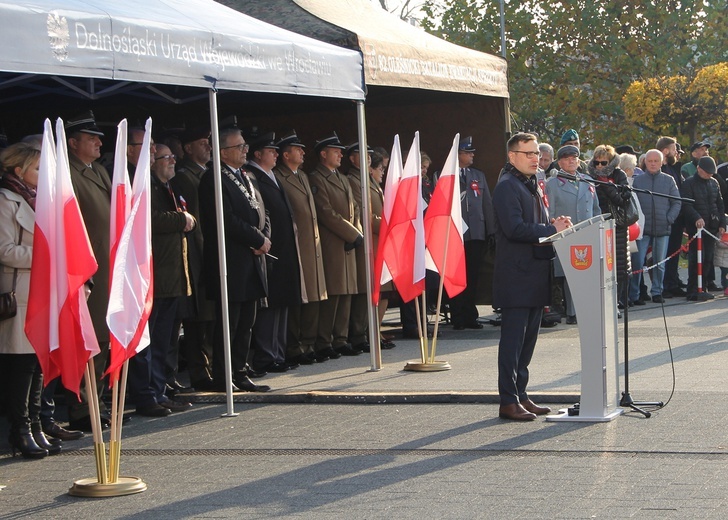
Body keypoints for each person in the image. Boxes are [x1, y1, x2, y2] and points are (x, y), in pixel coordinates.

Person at [493, 132, 572, 421]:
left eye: (536, 153)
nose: (535, 158)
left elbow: (534, 224)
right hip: (516, 276)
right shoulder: (507, 186)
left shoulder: (532, 184)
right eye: (528, 153)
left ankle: (521, 395)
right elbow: (514, 228)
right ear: (512, 156)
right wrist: (551, 230)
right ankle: (508, 400)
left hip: (535, 272)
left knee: (528, 342)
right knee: (513, 343)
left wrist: (553, 224)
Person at [198, 126, 271, 392]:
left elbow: (263, 210)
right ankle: (223, 374)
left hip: (253, 259)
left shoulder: (247, 176)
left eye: (244, 145)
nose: (245, 150)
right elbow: (225, 219)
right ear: (223, 152)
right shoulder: (213, 179)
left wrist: (264, 236)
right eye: (239, 146)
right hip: (232, 261)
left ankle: (240, 370)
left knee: (246, 323)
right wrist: (256, 238)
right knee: (229, 322)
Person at [0, 143, 60, 458]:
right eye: (37, 168)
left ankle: (36, 425)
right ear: (19, 170)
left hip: (40, 290)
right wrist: (46, 256)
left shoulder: (38, 199)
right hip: (19, 292)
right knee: (23, 366)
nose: (43, 174)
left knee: (37, 364)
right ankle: (20, 430)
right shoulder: (6, 200)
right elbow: (5, 249)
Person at [128, 145, 195, 417]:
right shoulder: (144, 186)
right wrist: (182, 218)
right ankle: (146, 395)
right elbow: (148, 220)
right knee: (148, 340)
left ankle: (159, 390)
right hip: (152, 275)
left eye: (171, 157)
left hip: (170, 275)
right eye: (165, 158)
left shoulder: (166, 186)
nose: (171, 161)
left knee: (164, 340)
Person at [65, 111, 112, 432]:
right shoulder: (67, 173)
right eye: (90, 137)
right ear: (72, 143)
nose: (98, 142)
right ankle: (82, 405)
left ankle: (100, 399)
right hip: (87, 268)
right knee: (88, 337)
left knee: (104, 335)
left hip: (107, 267)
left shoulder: (97, 170)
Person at [246, 132, 305, 372]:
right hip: (271, 249)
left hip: (283, 248)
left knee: (282, 303)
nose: (276, 154)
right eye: (271, 151)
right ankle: (266, 355)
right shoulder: (254, 175)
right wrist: (267, 238)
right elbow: (262, 211)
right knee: (271, 306)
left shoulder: (270, 175)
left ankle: (278, 353)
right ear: (258, 154)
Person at [273, 131, 327, 366]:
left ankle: (308, 343)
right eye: (298, 149)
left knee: (313, 296)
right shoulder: (278, 176)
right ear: (286, 155)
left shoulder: (303, 176)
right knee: (299, 298)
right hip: (295, 244)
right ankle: (294, 346)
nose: (303, 152)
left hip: (310, 243)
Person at [308, 133, 363, 361]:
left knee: (347, 292)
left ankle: (340, 339)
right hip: (333, 242)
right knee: (333, 293)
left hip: (348, 241)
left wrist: (357, 232)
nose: (341, 154)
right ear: (323, 154)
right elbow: (326, 212)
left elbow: (355, 209)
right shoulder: (317, 178)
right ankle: (325, 340)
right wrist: (352, 232)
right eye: (335, 151)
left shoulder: (341, 177)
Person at [170, 127, 215, 391]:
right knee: (199, 318)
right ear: (187, 149)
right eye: (202, 142)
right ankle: (200, 369)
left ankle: (207, 365)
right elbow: (197, 224)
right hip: (198, 256)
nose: (208, 146)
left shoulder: (205, 173)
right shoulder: (185, 177)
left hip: (208, 253)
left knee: (210, 317)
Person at [545, 145, 601, 324]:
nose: (571, 161)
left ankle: (587, 308)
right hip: (567, 236)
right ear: (560, 162)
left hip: (587, 233)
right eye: (567, 158)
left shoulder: (587, 180)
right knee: (571, 275)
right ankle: (572, 311)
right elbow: (550, 212)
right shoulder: (553, 183)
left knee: (587, 273)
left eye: (574, 158)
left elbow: (595, 208)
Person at [449, 136, 495, 330]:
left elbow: (487, 204)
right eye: (467, 152)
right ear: (457, 154)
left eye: (471, 152)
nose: (471, 155)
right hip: (455, 234)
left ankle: (470, 315)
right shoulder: (446, 175)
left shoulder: (478, 175)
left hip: (476, 233)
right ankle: (457, 315)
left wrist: (491, 230)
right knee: (456, 276)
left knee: (473, 276)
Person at [629, 150, 681, 305]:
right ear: (645, 162)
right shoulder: (637, 181)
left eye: (655, 161)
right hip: (642, 230)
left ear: (661, 162)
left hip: (662, 228)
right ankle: (635, 294)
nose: (652, 163)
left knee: (659, 262)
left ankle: (657, 291)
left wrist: (669, 219)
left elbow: (677, 202)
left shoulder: (669, 180)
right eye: (650, 161)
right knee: (637, 262)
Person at [589, 144, 633, 309]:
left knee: (620, 266)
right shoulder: (589, 176)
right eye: (597, 163)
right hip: (598, 224)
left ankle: (618, 299)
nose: (599, 166)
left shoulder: (618, 175)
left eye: (604, 163)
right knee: (602, 266)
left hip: (618, 225)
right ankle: (604, 301)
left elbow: (623, 200)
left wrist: (606, 185)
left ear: (611, 162)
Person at [681, 156, 726, 300]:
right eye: (707, 172)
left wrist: (722, 223)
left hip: (711, 228)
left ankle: (704, 286)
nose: (709, 175)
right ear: (699, 169)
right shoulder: (689, 183)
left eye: (711, 173)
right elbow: (686, 204)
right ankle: (693, 289)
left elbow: (719, 204)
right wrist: (696, 218)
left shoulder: (714, 183)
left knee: (708, 259)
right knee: (695, 259)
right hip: (696, 230)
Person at [658, 136, 688, 297]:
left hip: (677, 218)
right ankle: (666, 285)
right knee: (666, 253)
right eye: (674, 150)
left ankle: (673, 280)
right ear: (665, 151)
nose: (677, 153)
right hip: (666, 218)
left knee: (674, 252)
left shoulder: (673, 168)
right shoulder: (662, 170)